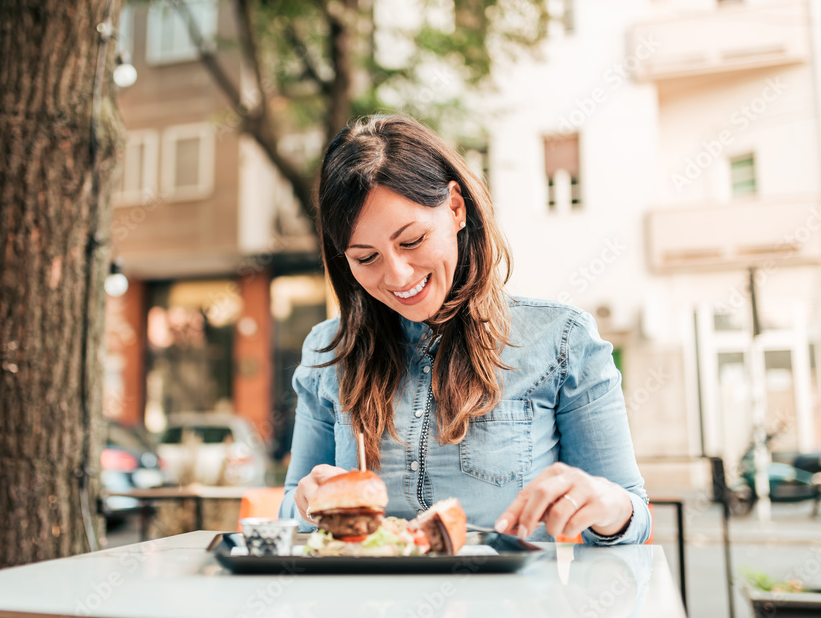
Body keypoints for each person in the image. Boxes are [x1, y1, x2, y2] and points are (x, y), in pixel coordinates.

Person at [278, 114, 651, 545]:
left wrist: (607, 504)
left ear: (455, 208)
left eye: (412, 241)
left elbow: (632, 519)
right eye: (366, 258)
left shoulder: (563, 340)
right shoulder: (328, 351)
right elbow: (291, 509)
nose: (397, 276)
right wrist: (308, 503)